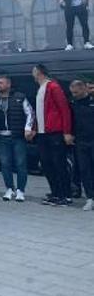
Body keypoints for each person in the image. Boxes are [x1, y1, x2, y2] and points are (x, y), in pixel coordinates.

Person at [0, 75, 33, 202]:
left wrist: (27, 128)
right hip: (0, 137)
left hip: (17, 136)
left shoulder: (19, 97)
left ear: (8, 84)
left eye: (1, 83)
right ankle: (9, 189)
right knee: (5, 164)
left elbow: (29, 113)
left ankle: (20, 190)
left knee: (20, 164)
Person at [32, 64, 74, 206]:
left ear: (39, 72)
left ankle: (66, 195)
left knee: (59, 164)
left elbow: (64, 109)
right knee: (47, 163)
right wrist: (35, 128)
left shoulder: (53, 87)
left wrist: (67, 132)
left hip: (54, 132)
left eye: (34, 71)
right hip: (43, 133)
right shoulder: (41, 89)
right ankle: (56, 192)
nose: (33, 74)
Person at [69, 80, 94, 210]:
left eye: (77, 92)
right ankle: (90, 198)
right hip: (80, 141)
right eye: (73, 92)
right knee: (84, 170)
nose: (74, 94)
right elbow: (69, 121)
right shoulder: (72, 104)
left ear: (84, 89)